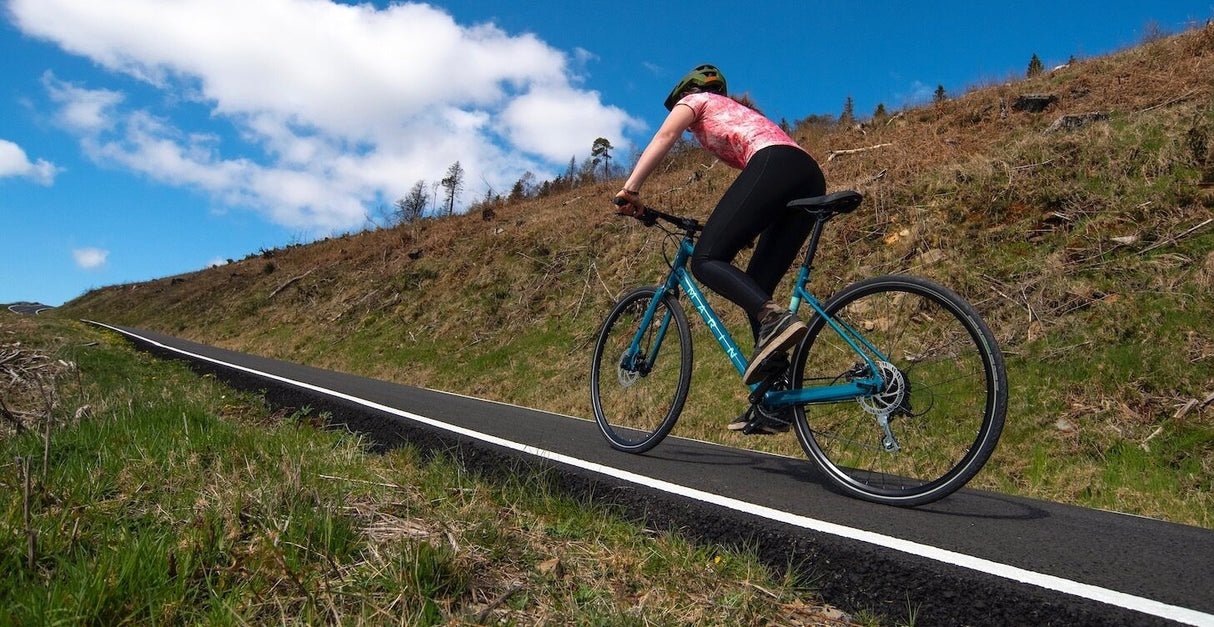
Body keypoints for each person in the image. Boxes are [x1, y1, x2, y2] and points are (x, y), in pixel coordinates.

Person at [611, 64, 826, 433]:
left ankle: (774, 320)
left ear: (685, 92)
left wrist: (630, 190)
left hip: (774, 162)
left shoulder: (696, 101)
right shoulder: (739, 113)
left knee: (707, 258)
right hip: (807, 174)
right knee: (755, 286)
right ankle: (775, 402)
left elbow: (665, 135)